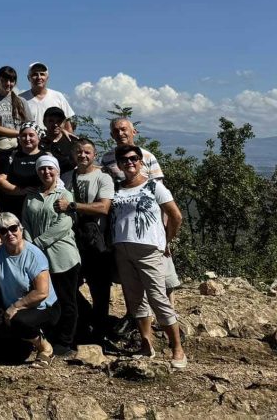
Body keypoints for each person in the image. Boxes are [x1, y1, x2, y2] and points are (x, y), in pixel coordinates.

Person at [110, 144, 187, 369]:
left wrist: (166, 240)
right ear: (119, 164)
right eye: (124, 160)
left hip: (148, 249)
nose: (129, 163)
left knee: (158, 298)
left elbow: (176, 215)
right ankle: (146, 345)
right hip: (122, 249)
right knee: (135, 301)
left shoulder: (154, 186)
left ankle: (177, 349)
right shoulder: (116, 188)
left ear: (141, 161)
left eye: (133, 158)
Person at [21, 155, 81, 356]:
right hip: (39, 257)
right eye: (42, 169)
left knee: (67, 300)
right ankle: (50, 336)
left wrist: (37, 244)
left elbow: (64, 225)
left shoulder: (65, 195)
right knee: (47, 299)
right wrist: (29, 245)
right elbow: (25, 221)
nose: (46, 172)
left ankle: (66, 341)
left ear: (56, 170)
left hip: (63, 256)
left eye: (50, 169)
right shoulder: (31, 196)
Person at [58, 138, 115, 345]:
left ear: (95, 154)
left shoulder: (103, 177)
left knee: (99, 289)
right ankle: (85, 320)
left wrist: (72, 205)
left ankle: (100, 331)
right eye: (79, 152)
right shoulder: (65, 177)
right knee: (68, 286)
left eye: (87, 152)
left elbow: (103, 207)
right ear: (73, 154)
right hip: (72, 240)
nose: (83, 155)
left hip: (96, 241)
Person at [0, 212, 60, 365]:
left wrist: (15, 307)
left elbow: (42, 292)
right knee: (8, 356)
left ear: (21, 229)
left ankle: (45, 348)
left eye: (13, 228)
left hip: (42, 307)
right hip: (13, 307)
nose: (9, 233)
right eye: (3, 231)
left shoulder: (34, 255)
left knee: (19, 322)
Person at [0, 121, 43, 217]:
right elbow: (0, 179)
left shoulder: (46, 157)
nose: (27, 138)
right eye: (24, 135)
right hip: (14, 208)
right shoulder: (11, 156)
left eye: (31, 135)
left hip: (39, 208)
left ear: (39, 137)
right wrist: (20, 191)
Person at [100, 117, 164, 182]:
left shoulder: (148, 156)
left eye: (123, 129)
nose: (120, 133)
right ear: (112, 135)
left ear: (134, 132)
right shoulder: (106, 158)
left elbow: (158, 184)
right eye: (116, 131)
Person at [20, 62, 74, 130]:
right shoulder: (20, 99)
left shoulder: (58, 96)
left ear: (47, 77)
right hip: (29, 139)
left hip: (54, 140)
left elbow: (68, 126)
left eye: (42, 74)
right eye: (35, 74)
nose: (39, 77)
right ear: (28, 78)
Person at [40, 107, 77, 176]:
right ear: (44, 122)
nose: (55, 124)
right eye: (51, 121)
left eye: (59, 121)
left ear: (64, 123)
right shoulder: (39, 143)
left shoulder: (73, 142)